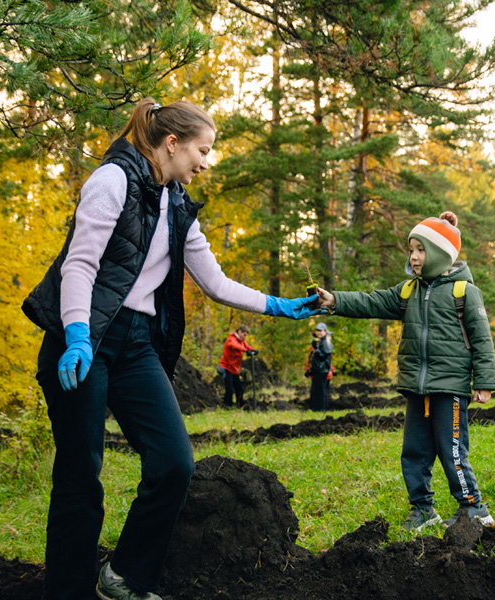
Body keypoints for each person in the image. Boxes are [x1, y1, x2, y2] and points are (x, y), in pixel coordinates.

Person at [21, 98, 319, 600]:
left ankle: (126, 577)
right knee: (80, 471)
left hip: (137, 343)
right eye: (202, 150)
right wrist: (75, 335)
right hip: (85, 336)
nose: (206, 162)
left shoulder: (177, 203)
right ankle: (67, 590)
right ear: (173, 143)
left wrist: (277, 305)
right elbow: (81, 265)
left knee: (174, 461)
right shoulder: (113, 179)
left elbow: (215, 281)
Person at [316, 211, 495, 531]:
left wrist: (483, 382)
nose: (413, 256)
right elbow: (370, 302)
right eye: (411, 249)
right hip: (417, 386)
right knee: (414, 450)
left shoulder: (464, 292)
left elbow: (482, 339)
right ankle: (423, 509)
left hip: (450, 387)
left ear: (439, 253)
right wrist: (334, 300)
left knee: (452, 450)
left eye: (421, 249)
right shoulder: (408, 291)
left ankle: (473, 507)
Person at [218, 325, 257, 408]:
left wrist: (252, 350)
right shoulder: (231, 339)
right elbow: (235, 346)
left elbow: (246, 346)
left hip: (234, 369)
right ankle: (227, 405)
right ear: (239, 332)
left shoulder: (242, 341)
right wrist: (246, 351)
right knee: (230, 389)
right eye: (244, 335)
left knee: (239, 388)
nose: (245, 337)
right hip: (226, 367)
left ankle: (240, 404)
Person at [305, 322, 333, 411]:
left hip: (322, 370)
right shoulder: (320, 341)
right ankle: (316, 408)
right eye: (317, 330)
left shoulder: (326, 343)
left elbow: (324, 356)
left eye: (320, 331)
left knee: (321, 391)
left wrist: (316, 350)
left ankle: (322, 409)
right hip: (317, 369)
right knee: (316, 390)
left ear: (325, 332)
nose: (318, 332)